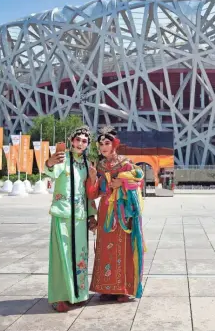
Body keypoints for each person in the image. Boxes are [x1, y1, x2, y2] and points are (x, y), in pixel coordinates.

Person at [86, 126, 146, 303]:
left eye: (107, 143)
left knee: (123, 248)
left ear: (114, 145)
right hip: (105, 210)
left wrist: (122, 183)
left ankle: (123, 289)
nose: (104, 147)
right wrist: (92, 178)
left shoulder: (126, 163)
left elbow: (138, 183)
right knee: (105, 249)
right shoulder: (100, 165)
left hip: (121, 211)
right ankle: (106, 288)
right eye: (101, 144)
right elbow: (93, 193)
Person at [44, 125, 97, 313]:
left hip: (80, 216)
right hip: (63, 213)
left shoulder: (86, 164)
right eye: (78, 139)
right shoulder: (62, 158)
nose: (81, 143)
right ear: (71, 140)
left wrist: (92, 215)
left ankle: (78, 294)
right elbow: (50, 173)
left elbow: (88, 191)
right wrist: (49, 163)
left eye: (84, 141)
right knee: (63, 255)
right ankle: (60, 296)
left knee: (80, 255)